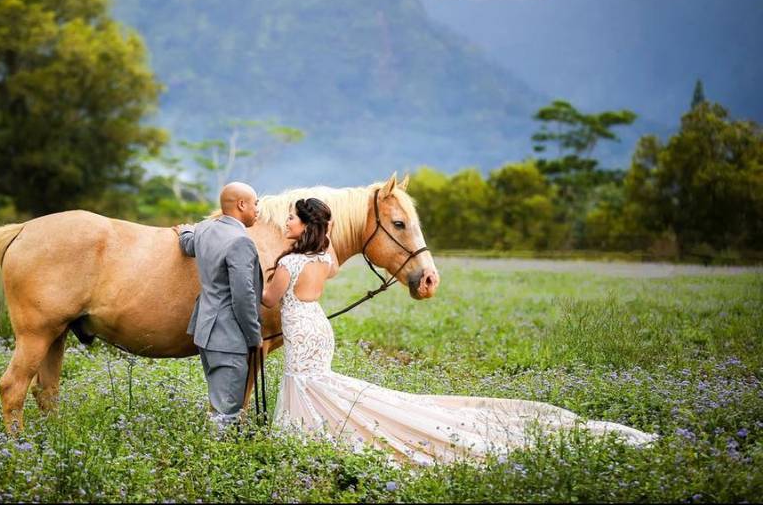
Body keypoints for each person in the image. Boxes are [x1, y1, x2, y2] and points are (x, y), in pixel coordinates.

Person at [261, 197, 657, 465]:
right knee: (319, 382)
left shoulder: (289, 264)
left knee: (306, 383)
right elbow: (326, 252)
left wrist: (257, 276)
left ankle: (307, 434)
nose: (287, 223)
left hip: (300, 326)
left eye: (292, 219)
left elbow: (266, 300)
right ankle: (312, 430)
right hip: (318, 328)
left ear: (305, 225)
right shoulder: (323, 260)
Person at [175, 181, 263, 433]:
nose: (258, 209)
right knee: (228, 413)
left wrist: (184, 232)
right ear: (241, 205)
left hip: (206, 332)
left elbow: (189, 245)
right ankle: (218, 460)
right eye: (255, 203)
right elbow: (243, 295)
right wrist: (253, 335)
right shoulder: (241, 242)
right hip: (228, 336)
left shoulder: (203, 229)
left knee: (219, 404)